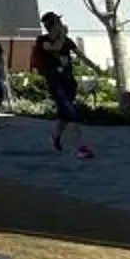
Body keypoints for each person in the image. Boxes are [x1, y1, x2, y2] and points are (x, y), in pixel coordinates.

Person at [33, 13, 94, 158]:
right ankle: (81, 148)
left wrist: (94, 67)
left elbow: (79, 54)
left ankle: (55, 136)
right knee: (71, 113)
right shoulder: (43, 41)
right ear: (52, 26)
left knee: (64, 115)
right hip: (56, 83)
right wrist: (62, 35)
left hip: (68, 82)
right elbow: (55, 48)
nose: (62, 26)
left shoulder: (67, 41)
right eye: (59, 23)